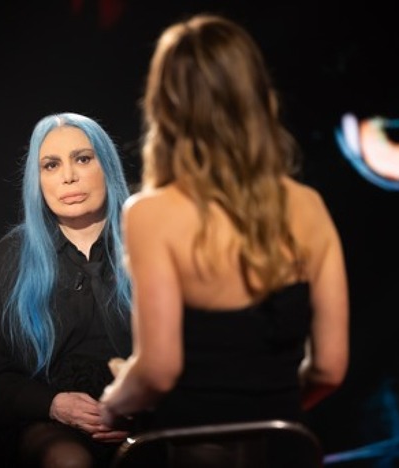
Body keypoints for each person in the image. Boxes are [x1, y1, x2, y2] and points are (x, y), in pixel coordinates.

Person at [99, 13, 349, 434]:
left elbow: (158, 370)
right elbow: (330, 367)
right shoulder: (309, 207)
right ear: (257, 96)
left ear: (166, 106)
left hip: (185, 452)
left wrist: (113, 403)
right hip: (286, 448)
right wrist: (272, 414)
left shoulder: (150, 214)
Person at [0, 112, 134, 468]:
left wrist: (141, 407)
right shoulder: (13, 255)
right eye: (51, 165)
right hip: (47, 420)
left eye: (82, 159)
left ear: (107, 167)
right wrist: (55, 405)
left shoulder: (148, 243)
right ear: (37, 180)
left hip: (143, 413)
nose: (68, 176)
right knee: (68, 461)